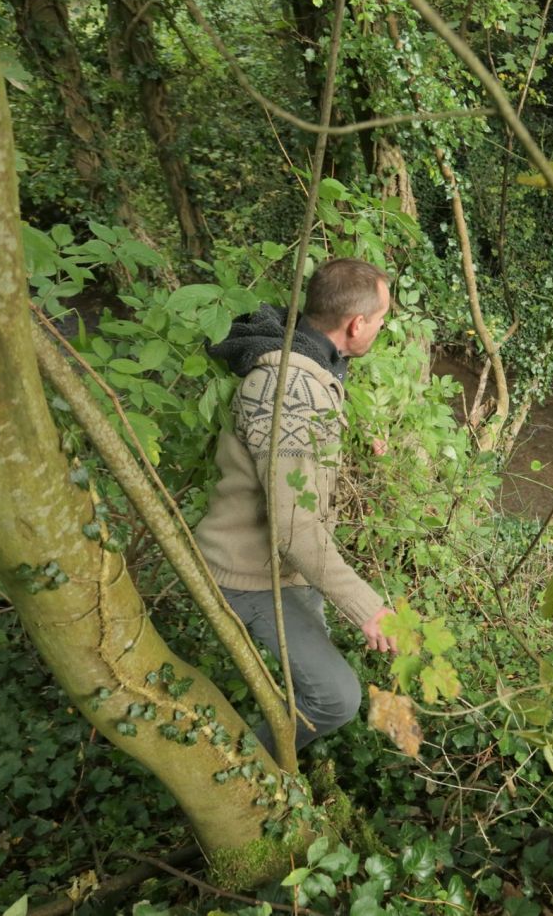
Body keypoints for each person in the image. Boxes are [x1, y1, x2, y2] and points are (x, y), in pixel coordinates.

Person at [195, 258, 396, 752]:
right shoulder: (288, 388)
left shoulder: (313, 361)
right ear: (356, 324)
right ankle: (249, 776)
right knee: (335, 698)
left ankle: (281, 757)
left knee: (307, 683)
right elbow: (291, 526)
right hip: (249, 574)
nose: (383, 327)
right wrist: (369, 609)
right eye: (382, 318)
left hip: (288, 570)